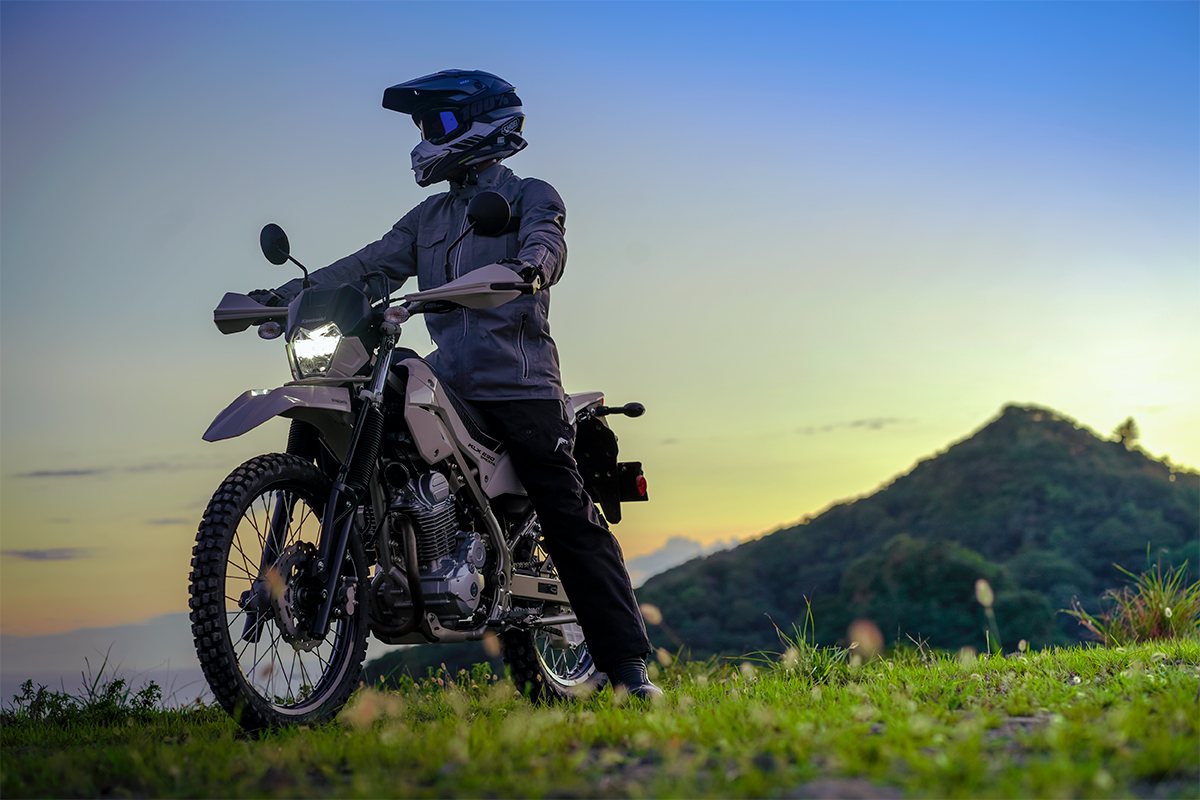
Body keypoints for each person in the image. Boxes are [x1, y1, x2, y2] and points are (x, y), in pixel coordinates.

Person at [249, 69, 661, 700]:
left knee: (566, 512)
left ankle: (629, 669)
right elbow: (366, 266)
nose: (423, 138)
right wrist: (284, 296)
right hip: (447, 381)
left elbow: (548, 244)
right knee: (362, 394)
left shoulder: (528, 194)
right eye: (421, 126)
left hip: (518, 385)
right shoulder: (429, 217)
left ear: (482, 124)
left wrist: (531, 267)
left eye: (435, 124)